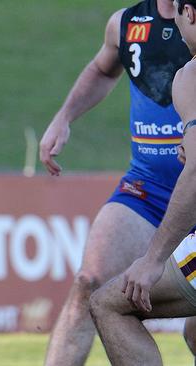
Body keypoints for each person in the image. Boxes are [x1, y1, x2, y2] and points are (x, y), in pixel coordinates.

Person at [38, 0, 192, 364]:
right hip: (147, 187)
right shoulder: (126, 23)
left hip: (193, 187)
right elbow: (103, 71)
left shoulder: (193, 21)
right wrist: (64, 117)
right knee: (89, 281)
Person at [88, 1, 196, 363]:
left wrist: (153, 259)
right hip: (145, 191)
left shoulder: (190, 76)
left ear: (188, 14)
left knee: (108, 305)